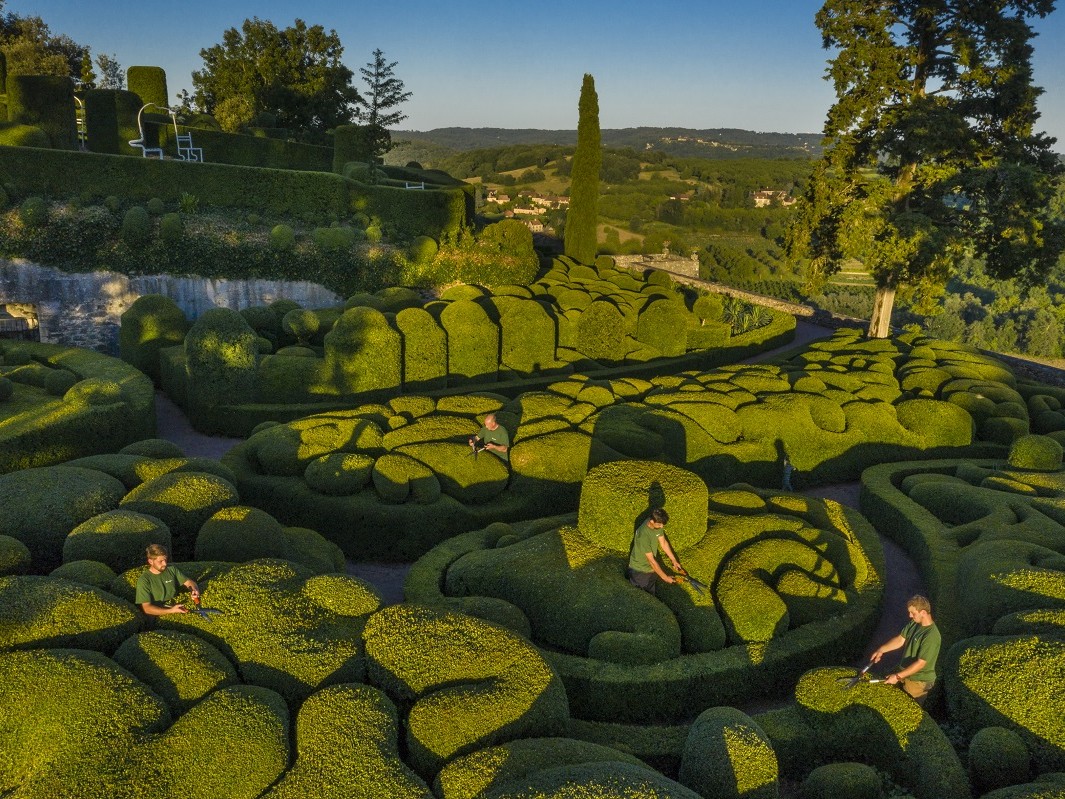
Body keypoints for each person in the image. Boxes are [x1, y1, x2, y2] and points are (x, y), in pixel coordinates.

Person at [869, 595, 942, 705]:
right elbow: (900, 640)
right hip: (906, 673)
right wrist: (881, 650)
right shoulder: (914, 623)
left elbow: (921, 663)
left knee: (907, 706)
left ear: (923, 612)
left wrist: (897, 676)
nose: (909, 615)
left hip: (918, 681)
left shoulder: (931, 636)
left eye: (913, 613)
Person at [627, 508, 683, 595]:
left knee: (651, 596)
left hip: (651, 570)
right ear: (652, 521)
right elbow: (652, 561)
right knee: (640, 596)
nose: (662, 527)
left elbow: (663, 543)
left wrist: (674, 560)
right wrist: (665, 578)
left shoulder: (657, 524)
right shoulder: (643, 535)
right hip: (640, 571)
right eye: (660, 525)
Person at [135, 543, 199, 616]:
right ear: (150, 561)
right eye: (161, 561)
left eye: (165, 560)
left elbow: (188, 582)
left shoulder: (171, 569)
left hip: (176, 607)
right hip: (158, 615)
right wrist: (171, 611)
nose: (165, 564)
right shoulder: (144, 580)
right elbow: (147, 609)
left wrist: (195, 590)